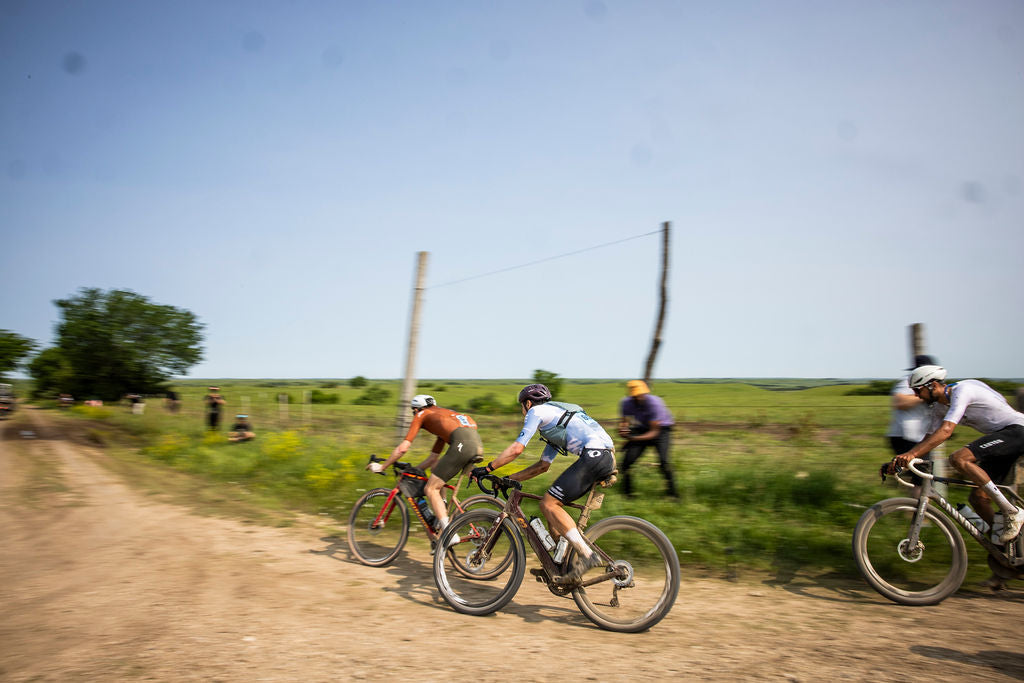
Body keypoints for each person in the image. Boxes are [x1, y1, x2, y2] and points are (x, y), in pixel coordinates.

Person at [472, 383, 616, 579]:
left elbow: (516, 449)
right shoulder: (556, 420)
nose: (522, 412)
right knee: (553, 511)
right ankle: (559, 564)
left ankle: (587, 555)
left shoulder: (537, 412)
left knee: (548, 504)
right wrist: (508, 479)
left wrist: (487, 469)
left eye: (522, 407)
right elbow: (542, 466)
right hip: (603, 456)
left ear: (528, 403)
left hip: (594, 455)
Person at [892, 365, 1024, 546]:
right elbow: (929, 438)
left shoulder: (962, 391)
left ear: (932, 386)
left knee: (959, 458)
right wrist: (903, 459)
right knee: (977, 499)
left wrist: (911, 454)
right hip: (1002, 439)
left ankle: (1012, 512)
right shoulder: (940, 407)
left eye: (918, 390)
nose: (916, 395)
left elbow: (946, 431)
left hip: (1017, 431)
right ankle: (1009, 550)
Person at [367, 395, 483, 538]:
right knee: (436, 469)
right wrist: (415, 470)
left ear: (416, 409)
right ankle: (443, 508)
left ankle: (448, 535)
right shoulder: (443, 418)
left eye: (413, 412)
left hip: (462, 444)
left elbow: (403, 448)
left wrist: (382, 467)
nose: (414, 415)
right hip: (476, 444)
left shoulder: (422, 414)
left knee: (430, 488)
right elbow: (433, 458)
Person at [617, 380, 678, 498]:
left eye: (641, 394)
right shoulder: (626, 403)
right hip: (641, 429)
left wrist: (632, 439)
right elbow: (624, 423)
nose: (639, 397)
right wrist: (623, 430)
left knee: (664, 461)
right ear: (631, 395)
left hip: (661, 430)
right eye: (636, 396)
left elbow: (654, 432)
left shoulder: (655, 403)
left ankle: (672, 494)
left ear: (646, 392)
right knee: (626, 462)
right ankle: (627, 494)